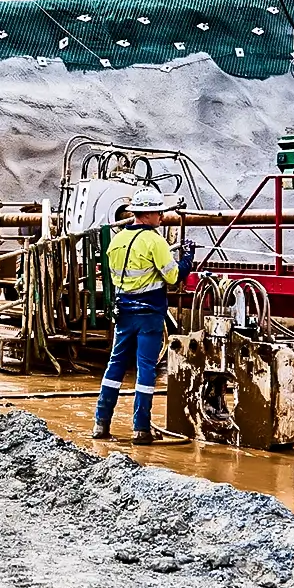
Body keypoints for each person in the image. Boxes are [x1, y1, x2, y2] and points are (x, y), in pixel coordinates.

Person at [95, 190, 193, 444]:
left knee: (115, 365)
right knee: (146, 369)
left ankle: (100, 424)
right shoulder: (155, 241)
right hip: (149, 314)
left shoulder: (116, 241)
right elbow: (172, 277)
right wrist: (188, 260)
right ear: (147, 213)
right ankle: (141, 429)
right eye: (159, 212)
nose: (162, 216)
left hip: (124, 312)